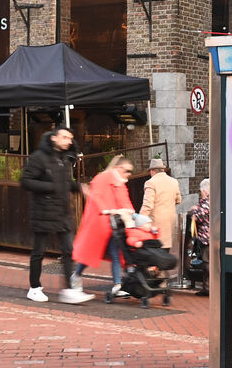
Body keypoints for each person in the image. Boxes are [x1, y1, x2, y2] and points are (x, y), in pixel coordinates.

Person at [20, 127, 93, 305]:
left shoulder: (66, 158)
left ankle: (69, 289)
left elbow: (65, 183)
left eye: (70, 138)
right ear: (53, 138)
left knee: (69, 251)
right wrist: (50, 187)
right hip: (43, 211)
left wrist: (79, 187)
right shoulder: (39, 157)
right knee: (39, 252)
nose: (69, 140)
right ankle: (34, 288)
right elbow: (25, 181)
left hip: (62, 211)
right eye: (65, 137)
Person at [71, 156, 136, 300]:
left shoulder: (119, 182)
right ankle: (76, 275)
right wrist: (107, 210)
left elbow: (124, 200)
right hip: (100, 223)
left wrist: (129, 211)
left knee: (116, 253)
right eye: (127, 171)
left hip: (113, 223)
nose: (129, 174)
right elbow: (97, 197)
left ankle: (117, 285)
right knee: (92, 252)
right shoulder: (102, 179)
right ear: (119, 168)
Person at [140, 158, 181, 253]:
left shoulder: (150, 182)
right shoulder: (174, 181)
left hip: (156, 223)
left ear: (152, 171)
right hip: (170, 221)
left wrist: (140, 220)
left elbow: (147, 205)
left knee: (155, 254)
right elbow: (178, 200)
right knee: (165, 253)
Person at [188, 178, 211, 296]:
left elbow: (199, 217)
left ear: (204, 191)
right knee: (206, 262)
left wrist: (194, 211)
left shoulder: (207, 202)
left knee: (207, 263)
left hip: (207, 238)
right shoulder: (210, 201)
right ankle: (206, 287)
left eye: (201, 190)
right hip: (207, 237)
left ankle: (210, 288)